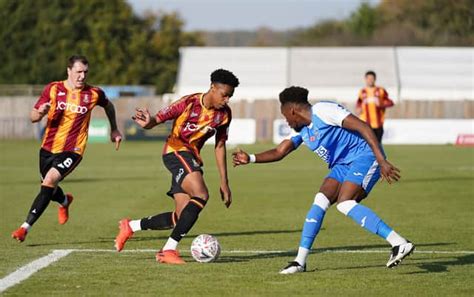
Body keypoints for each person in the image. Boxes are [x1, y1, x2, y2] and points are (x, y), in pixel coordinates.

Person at [233, 86, 414, 274]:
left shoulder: (324, 111)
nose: (286, 121)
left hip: (365, 157)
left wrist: (381, 160)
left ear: (292, 110)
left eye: (285, 115)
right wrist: (251, 158)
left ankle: (398, 242)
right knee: (319, 201)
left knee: (345, 203)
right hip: (342, 166)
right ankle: (299, 262)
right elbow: (280, 152)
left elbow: (363, 127)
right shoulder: (300, 130)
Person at [114, 69, 239, 265]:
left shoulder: (224, 115)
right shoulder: (188, 103)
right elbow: (157, 120)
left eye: (230, 96)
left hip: (192, 159)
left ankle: (130, 226)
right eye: (225, 95)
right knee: (202, 195)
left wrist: (224, 182)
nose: (227, 100)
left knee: (180, 217)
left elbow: (220, 145)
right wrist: (148, 122)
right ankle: (168, 250)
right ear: (213, 88)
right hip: (175, 152)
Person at [11, 55, 122, 242]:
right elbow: (33, 117)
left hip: (73, 149)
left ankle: (24, 228)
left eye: (85, 72)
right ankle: (64, 201)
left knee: (49, 180)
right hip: (48, 147)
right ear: (69, 71)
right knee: (49, 186)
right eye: (78, 72)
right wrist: (40, 112)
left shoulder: (94, 93)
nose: (82, 76)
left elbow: (109, 106)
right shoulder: (53, 89)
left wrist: (115, 129)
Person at [355, 71, 394, 143]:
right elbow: (359, 103)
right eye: (368, 78)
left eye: (372, 78)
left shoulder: (381, 90)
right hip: (366, 124)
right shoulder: (362, 91)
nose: (370, 80)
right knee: (367, 146)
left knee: (377, 146)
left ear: (375, 79)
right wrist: (358, 108)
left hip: (378, 123)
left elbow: (390, 102)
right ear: (365, 79)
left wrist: (381, 104)